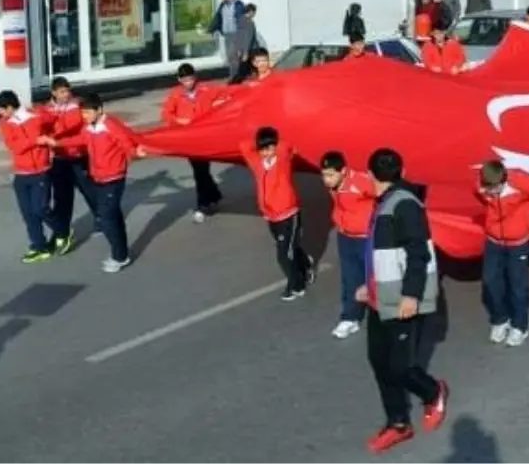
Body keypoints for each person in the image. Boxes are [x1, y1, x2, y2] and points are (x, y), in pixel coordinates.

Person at [359, 148, 449, 454]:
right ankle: (398, 422)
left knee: (398, 367)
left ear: (370, 175)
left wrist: (410, 295)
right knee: (379, 361)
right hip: (378, 297)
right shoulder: (385, 203)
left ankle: (433, 391)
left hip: (399, 300)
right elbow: (379, 252)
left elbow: (417, 253)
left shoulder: (405, 205)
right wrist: (367, 285)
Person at [40, 92, 142, 273]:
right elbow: (79, 139)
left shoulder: (110, 125)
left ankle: (119, 257)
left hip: (113, 178)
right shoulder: (89, 128)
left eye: (87, 113)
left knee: (107, 218)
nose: (84, 117)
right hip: (98, 178)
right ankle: (122, 253)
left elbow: (126, 143)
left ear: (99, 110)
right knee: (114, 217)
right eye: (83, 114)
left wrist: (135, 153)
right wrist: (56, 142)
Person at [476, 159, 529, 345]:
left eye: (495, 188)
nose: (491, 192)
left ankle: (520, 326)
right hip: (493, 242)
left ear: (504, 181)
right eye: (488, 188)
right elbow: (478, 193)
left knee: (517, 286)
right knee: (490, 281)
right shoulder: (482, 185)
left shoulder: (521, 183)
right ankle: (500, 320)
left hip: (518, 244)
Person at [239, 127, 313, 302]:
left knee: (283, 255)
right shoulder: (257, 162)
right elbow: (243, 146)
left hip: (289, 214)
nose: (267, 153)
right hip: (271, 216)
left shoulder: (283, 161)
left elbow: (285, 146)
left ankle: (297, 285)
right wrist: (261, 139)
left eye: (270, 148)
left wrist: (273, 141)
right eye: (263, 149)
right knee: (290, 247)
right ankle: (306, 264)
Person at [0, 90, 61, 263]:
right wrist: (36, 141)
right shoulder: (4, 123)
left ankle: (62, 230)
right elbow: (14, 146)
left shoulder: (35, 115)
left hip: (40, 171)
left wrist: (47, 137)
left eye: (1, 110)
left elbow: (53, 120)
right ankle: (40, 246)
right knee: (28, 214)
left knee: (41, 209)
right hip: (21, 173)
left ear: (10, 107)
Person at [321, 151, 378, 339]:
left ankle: (385, 317)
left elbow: (383, 192)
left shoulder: (362, 182)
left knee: (374, 277)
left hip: (366, 238)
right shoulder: (335, 186)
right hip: (345, 237)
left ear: (343, 171)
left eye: (330, 175)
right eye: (324, 175)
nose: (326, 180)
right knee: (350, 278)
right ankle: (350, 318)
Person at [161, 64, 223, 223]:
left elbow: (224, 96)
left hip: (205, 136)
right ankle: (211, 197)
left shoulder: (206, 90)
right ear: (179, 79)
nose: (188, 83)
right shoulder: (176, 94)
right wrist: (178, 121)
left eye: (190, 79)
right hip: (188, 138)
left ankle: (203, 203)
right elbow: (166, 114)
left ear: (195, 77)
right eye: (185, 80)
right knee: (200, 170)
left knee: (201, 170)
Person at [42, 76, 98, 238]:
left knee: (89, 190)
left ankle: (101, 219)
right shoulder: (47, 109)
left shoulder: (78, 104)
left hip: (78, 155)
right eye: (61, 92)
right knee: (61, 198)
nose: (66, 94)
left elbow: (75, 124)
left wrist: (56, 130)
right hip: (60, 158)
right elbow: (44, 128)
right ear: (53, 92)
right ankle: (62, 230)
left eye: (67, 91)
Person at [208, 0, 246, 81]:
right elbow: (218, 18)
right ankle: (235, 75)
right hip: (226, 35)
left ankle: (234, 77)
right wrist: (213, 29)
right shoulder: (222, 5)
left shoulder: (239, 4)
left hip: (236, 34)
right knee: (231, 57)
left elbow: (243, 20)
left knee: (232, 55)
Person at [228, 3, 264, 83]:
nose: (254, 14)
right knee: (247, 69)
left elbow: (239, 37)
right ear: (251, 12)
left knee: (246, 69)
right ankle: (234, 83)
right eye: (254, 12)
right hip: (250, 50)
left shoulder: (240, 20)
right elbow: (248, 38)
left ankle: (235, 82)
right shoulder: (249, 23)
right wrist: (245, 52)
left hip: (241, 49)